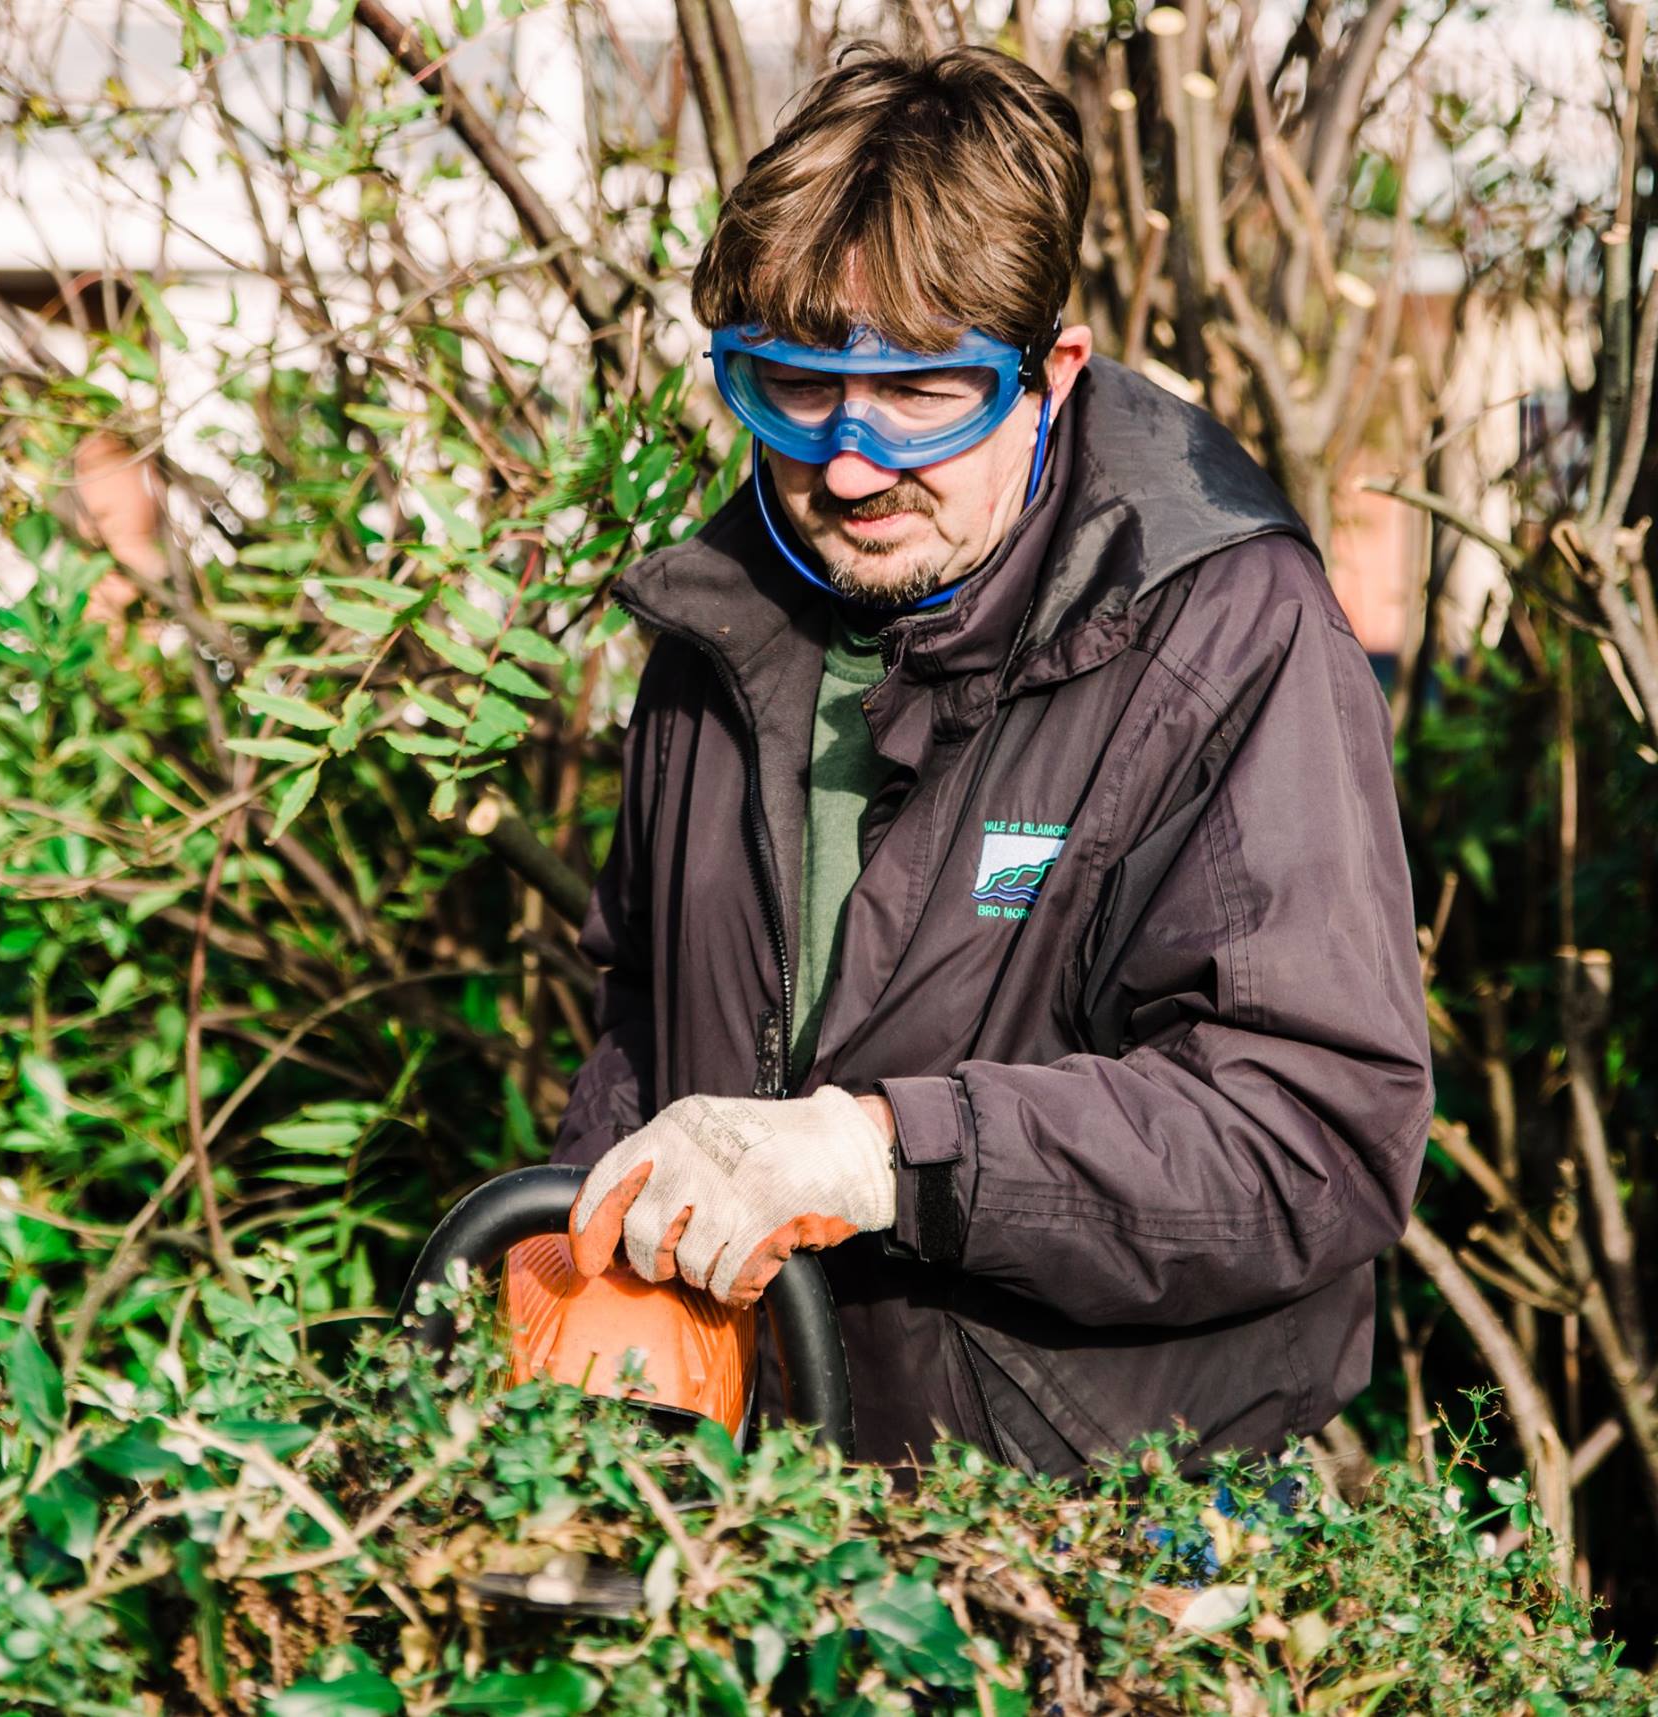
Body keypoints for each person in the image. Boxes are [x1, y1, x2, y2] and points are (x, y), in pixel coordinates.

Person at [550, 43, 1434, 1475]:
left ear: (1050, 373)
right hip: (756, 1502)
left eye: (921, 397)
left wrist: (888, 1153)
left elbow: (1313, 1139)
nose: (845, 465)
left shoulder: (1224, 633)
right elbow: (647, 1020)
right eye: (794, 389)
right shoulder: (716, 628)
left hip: (1107, 1524)